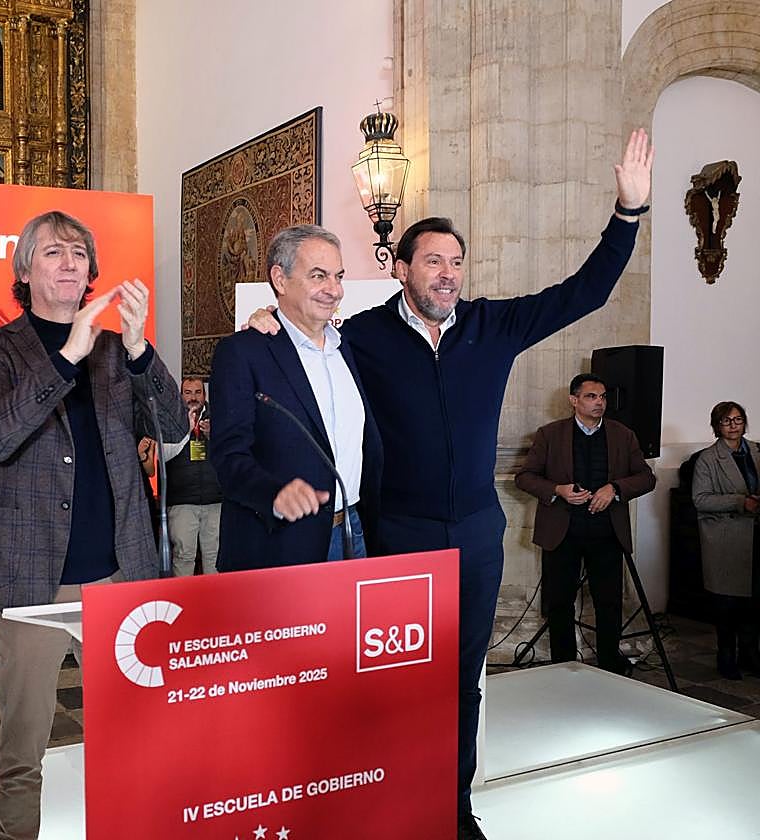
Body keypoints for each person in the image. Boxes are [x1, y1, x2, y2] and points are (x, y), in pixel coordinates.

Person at [248, 130, 653, 840]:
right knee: (393, 682)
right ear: (401, 268)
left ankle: (452, 809)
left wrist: (627, 214)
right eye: (432, 260)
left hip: (474, 539)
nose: (448, 273)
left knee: (463, 681)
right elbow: (300, 348)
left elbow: (585, 291)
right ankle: (388, 801)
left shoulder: (493, 326)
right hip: (397, 537)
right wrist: (265, 324)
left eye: (456, 262)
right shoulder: (363, 335)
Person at [0, 210, 186, 840]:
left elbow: (172, 429)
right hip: (33, 581)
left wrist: (140, 347)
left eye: (79, 254)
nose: (69, 263)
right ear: (25, 269)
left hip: (118, 574)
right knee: (23, 746)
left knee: (135, 737)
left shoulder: (119, 350)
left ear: (93, 272)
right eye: (54, 252)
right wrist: (66, 356)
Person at [214, 224, 383, 569]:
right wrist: (273, 494)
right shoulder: (244, 352)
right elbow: (227, 454)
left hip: (353, 535)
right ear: (280, 279)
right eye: (318, 276)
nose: (333, 290)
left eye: (338, 276)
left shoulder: (348, 347)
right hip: (278, 546)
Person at [514, 373, 656, 674]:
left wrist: (615, 489)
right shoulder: (550, 434)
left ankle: (609, 662)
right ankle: (562, 665)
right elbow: (525, 477)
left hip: (606, 531)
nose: (599, 402)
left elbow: (646, 477)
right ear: (573, 400)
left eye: (603, 397)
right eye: (592, 396)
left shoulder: (622, 434)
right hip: (563, 531)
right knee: (559, 602)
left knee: (608, 602)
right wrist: (557, 490)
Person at [691, 401, 760, 680]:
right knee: (728, 604)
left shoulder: (755, 451)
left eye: (738, 419)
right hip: (725, 538)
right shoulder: (708, 458)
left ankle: (750, 653)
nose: (733, 426)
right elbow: (700, 499)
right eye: (726, 421)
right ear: (716, 426)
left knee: (753, 602)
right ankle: (726, 656)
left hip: (754, 536)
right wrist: (739, 502)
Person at [164, 377, 222, 575]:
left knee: (215, 556)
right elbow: (162, 456)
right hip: (182, 501)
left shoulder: (220, 417)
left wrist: (213, 437)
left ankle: (215, 605)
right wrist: (185, 432)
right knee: (183, 556)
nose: (193, 397)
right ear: (181, 395)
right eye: (188, 392)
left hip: (216, 499)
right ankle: (184, 605)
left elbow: (231, 453)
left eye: (197, 392)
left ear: (204, 395)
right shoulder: (170, 417)